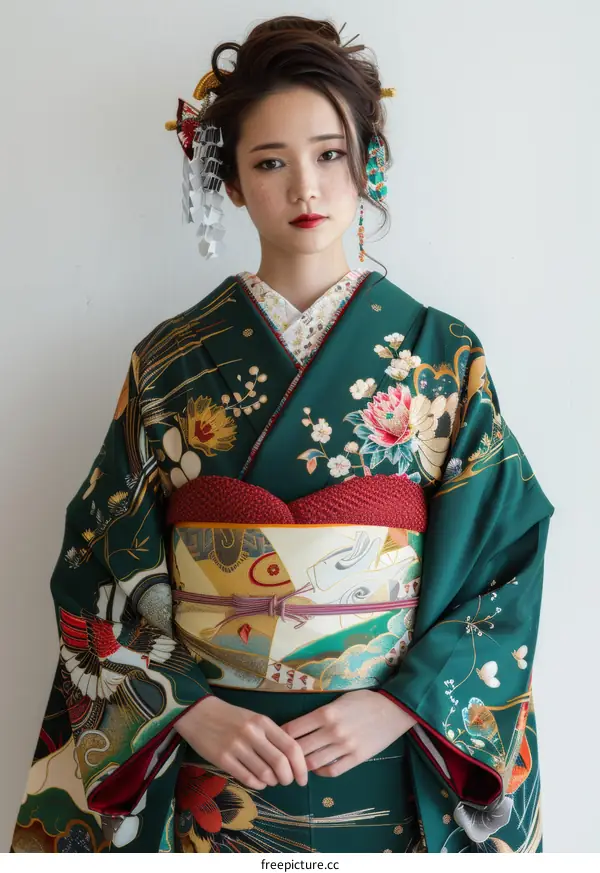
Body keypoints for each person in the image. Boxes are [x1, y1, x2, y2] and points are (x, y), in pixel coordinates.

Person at [12, 15, 553, 854]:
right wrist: (188, 707)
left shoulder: (444, 355)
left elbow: (504, 559)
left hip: (386, 746)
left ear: (368, 158)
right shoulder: (169, 361)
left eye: (330, 153)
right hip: (216, 752)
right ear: (228, 180)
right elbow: (98, 558)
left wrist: (402, 701)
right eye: (270, 161)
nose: (306, 186)